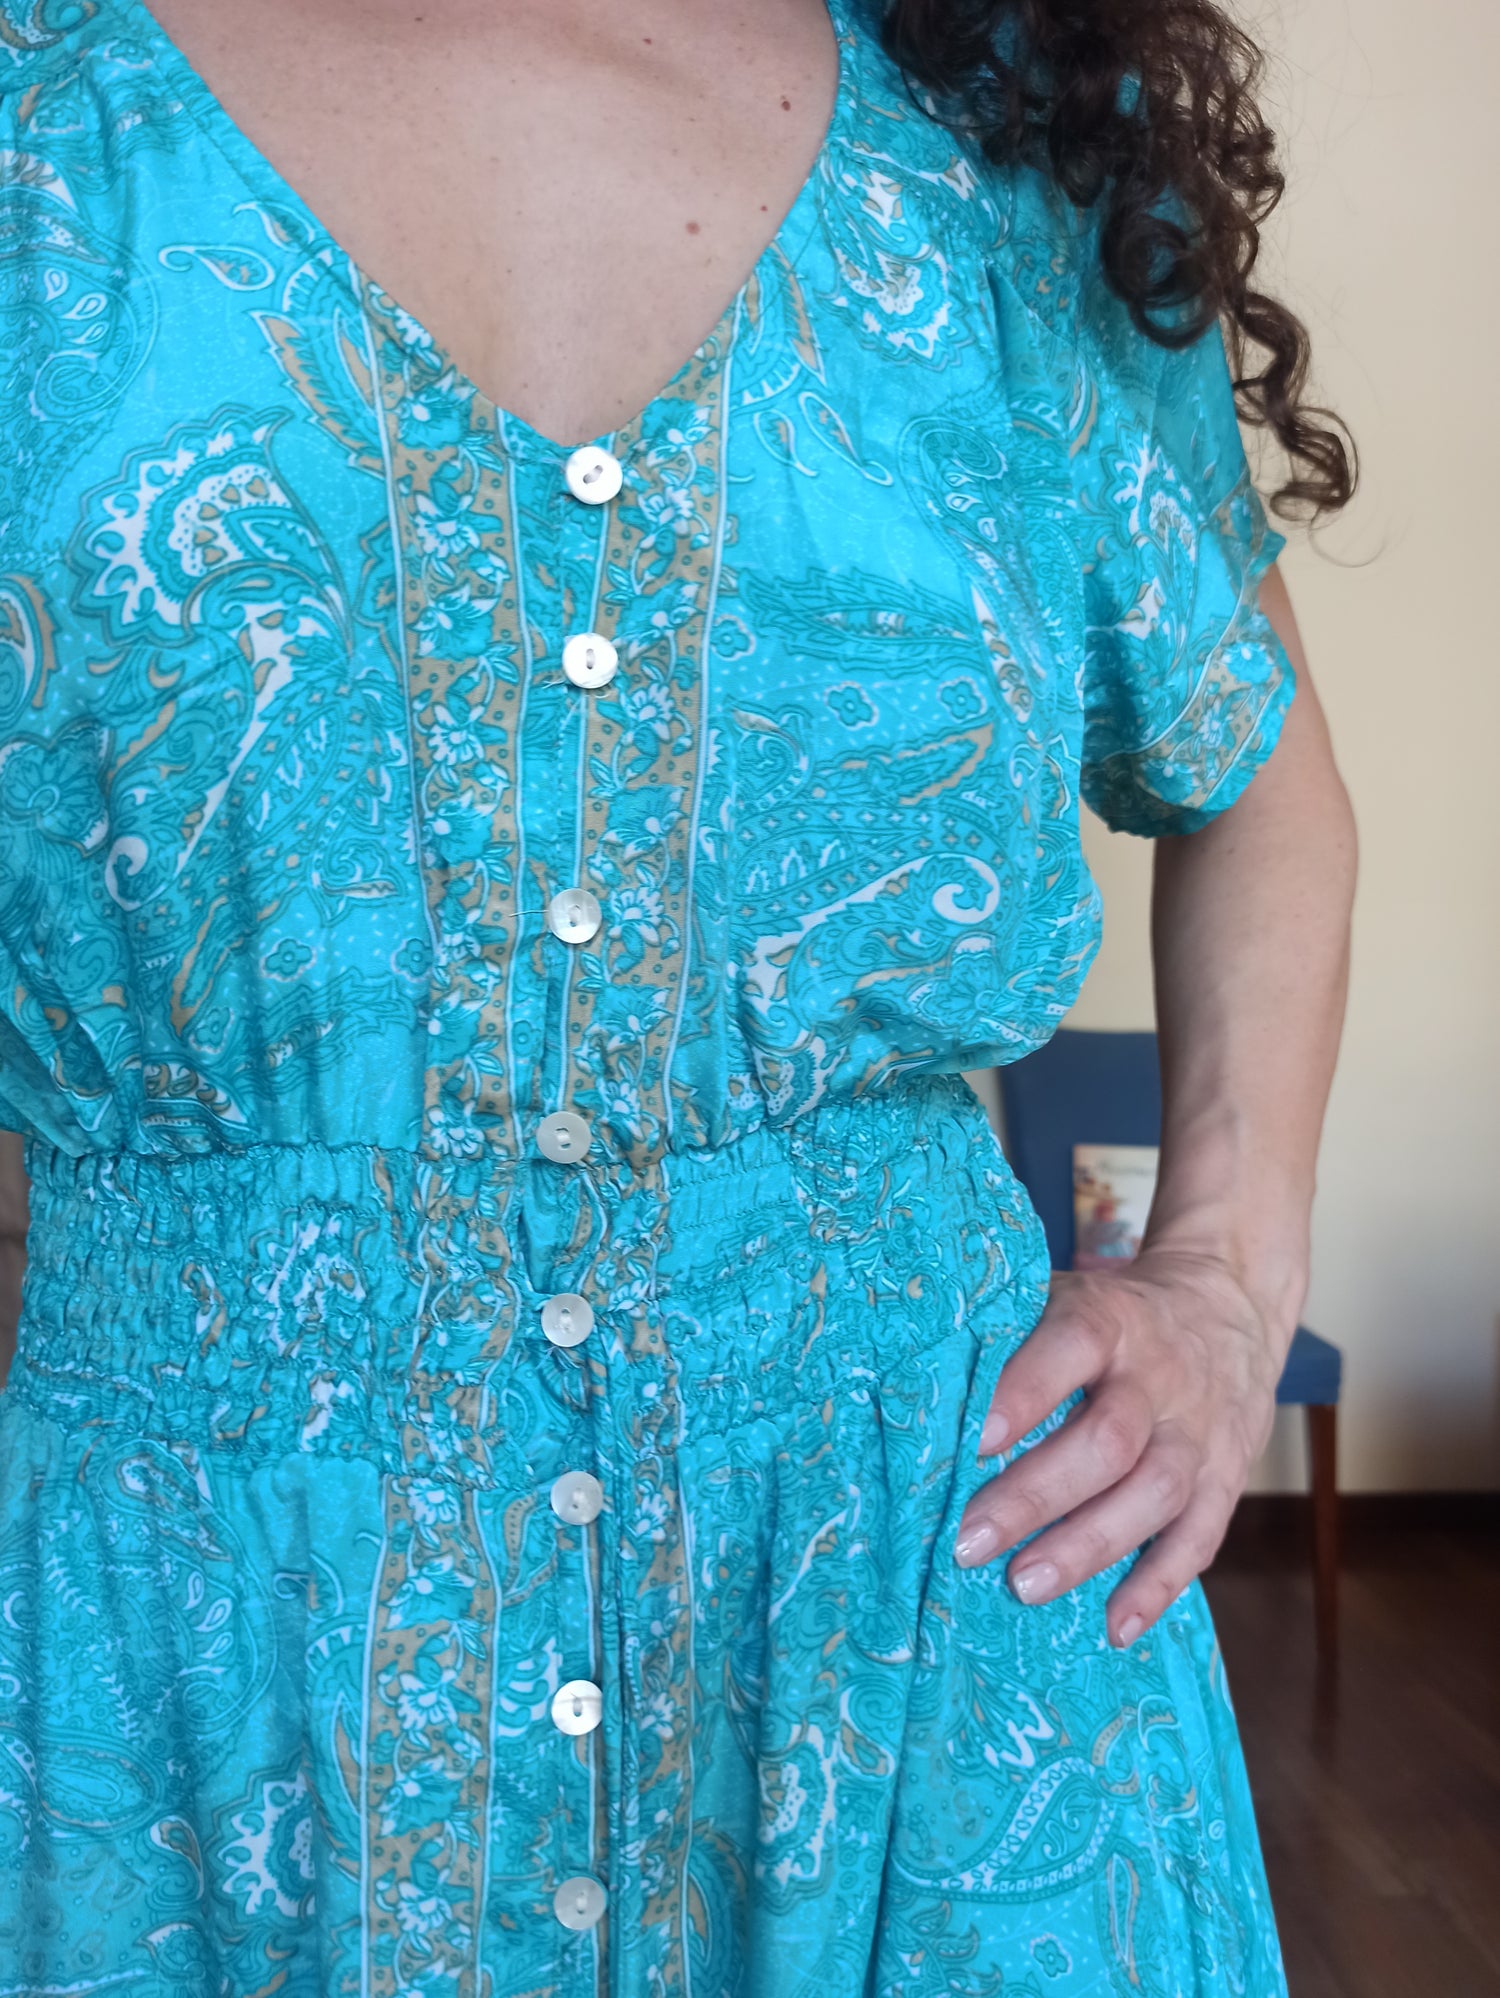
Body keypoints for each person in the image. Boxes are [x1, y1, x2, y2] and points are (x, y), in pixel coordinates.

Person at [0, 0, 1359, 1988]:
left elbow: (1262, 782)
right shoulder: (41, 129)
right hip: (184, 1654)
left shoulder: (1008, 127)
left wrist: (1229, 1277)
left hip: (933, 1614)